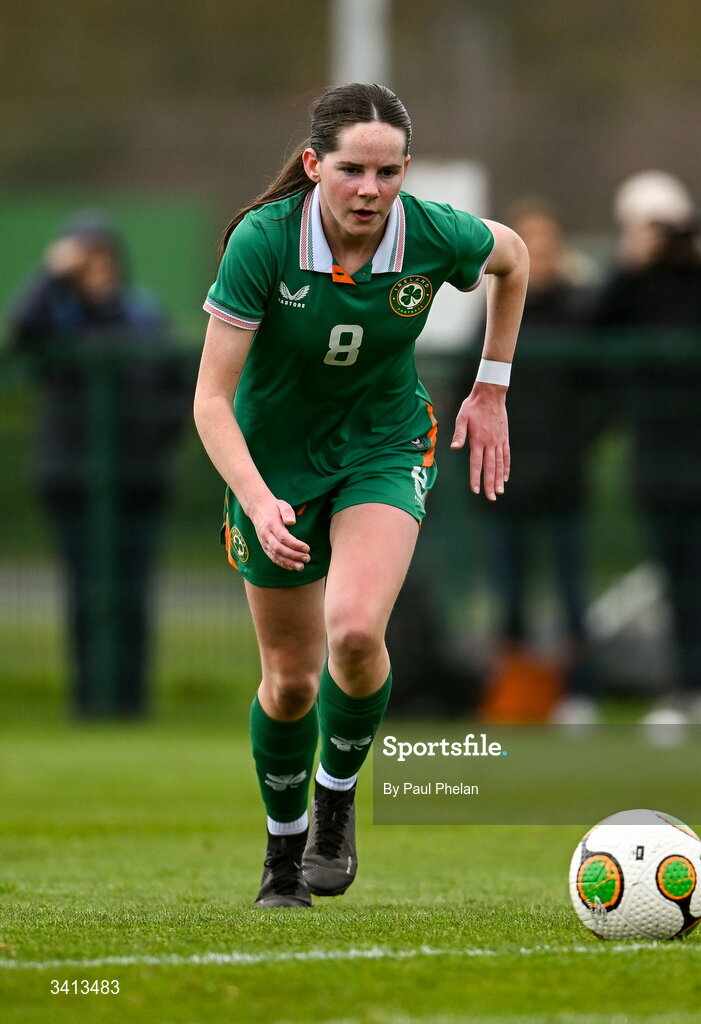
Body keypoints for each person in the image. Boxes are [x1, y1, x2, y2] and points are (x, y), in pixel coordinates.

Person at [193, 83, 528, 908]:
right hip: (271, 467)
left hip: (383, 446)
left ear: (406, 172)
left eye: (388, 172)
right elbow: (209, 400)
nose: (370, 190)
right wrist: (259, 499)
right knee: (292, 681)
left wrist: (491, 386)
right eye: (351, 170)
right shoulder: (264, 242)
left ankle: (335, 803)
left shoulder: (430, 233)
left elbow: (512, 258)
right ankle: (281, 855)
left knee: (352, 631)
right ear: (314, 167)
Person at [591, 171, 701, 730]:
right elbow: (592, 326)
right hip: (657, 456)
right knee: (674, 575)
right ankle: (687, 683)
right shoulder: (637, 285)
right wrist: (629, 264)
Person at [9, 212, 189, 719]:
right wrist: (52, 273)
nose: (95, 267)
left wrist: (156, 440)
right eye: (82, 257)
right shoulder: (58, 318)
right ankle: (88, 701)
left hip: (138, 481)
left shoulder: (142, 315)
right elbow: (21, 330)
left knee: (133, 595)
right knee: (86, 593)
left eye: (101, 254)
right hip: (74, 480)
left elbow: (180, 387)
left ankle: (131, 701)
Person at [477, 199, 606, 725]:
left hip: (562, 478)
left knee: (573, 592)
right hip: (503, 480)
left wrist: (574, 441)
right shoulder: (488, 313)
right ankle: (518, 694)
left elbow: (603, 393)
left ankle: (579, 694)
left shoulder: (581, 315)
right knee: (509, 595)